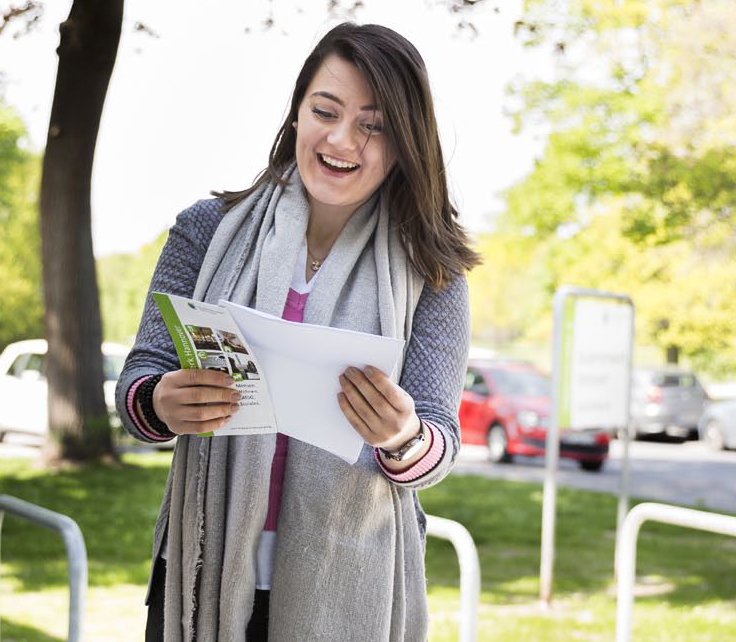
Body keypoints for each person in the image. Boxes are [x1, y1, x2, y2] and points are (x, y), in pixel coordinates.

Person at [116, 22, 478, 642]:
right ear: (295, 116)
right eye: (325, 111)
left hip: (351, 590)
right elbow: (137, 386)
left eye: (374, 124)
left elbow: (438, 440)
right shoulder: (206, 230)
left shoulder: (431, 270)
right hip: (200, 573)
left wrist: (403, 435)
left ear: (404, 143)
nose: (343, 140)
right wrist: (159, 400)